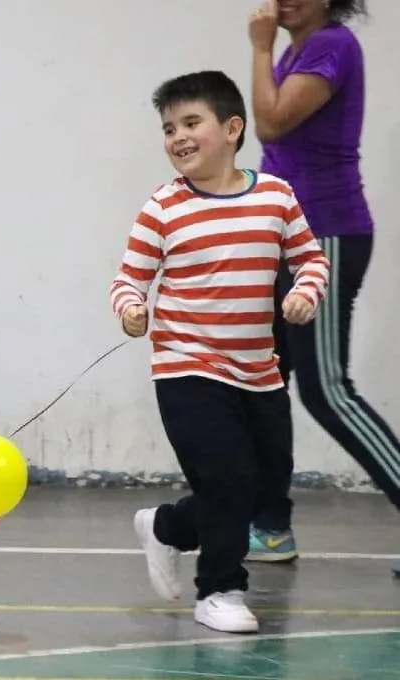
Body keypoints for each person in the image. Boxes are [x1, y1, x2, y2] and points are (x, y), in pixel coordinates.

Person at [110, 71, 330, 633]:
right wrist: (132, 310)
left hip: (260, 372)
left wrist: (305, 293)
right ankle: (220, 591)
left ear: (232, 129)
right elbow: (128, 281)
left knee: (259, 489)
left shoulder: (275, 196)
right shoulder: (163, 208)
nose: (177, 136)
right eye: (167, 128)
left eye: (191, 122)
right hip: (187, 369)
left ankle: (168, 527)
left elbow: (311, 259)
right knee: (228, 480)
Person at [245, 0, 400, 573]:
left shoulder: (332, 46)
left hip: (326, 237)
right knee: (263, 386)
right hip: (289, 239)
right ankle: (270, 527)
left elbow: (271, 122)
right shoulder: (297, 52)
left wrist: (258, 48)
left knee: (327, 391)